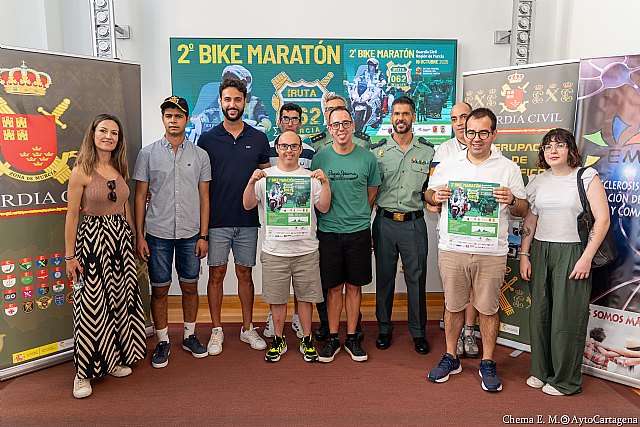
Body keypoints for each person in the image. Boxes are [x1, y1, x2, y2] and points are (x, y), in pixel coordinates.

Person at [425, 108, 528, 392]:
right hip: (453, 248)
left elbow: (522, 209)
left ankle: (487, 361)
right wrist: (435, 196)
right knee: (453, 305)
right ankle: (451, 357)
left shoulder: (507, 168)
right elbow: (429, 195)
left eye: (483, 132)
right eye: (471, 132)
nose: (476, 138)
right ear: (464, 133)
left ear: (494, 134)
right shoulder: (449, 164)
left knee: (488, 309)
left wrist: (512, 200)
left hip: (490, 251)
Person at [519, 128, 609, 396]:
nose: (553, 151)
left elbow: (602, 219)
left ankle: (564, 381)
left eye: (559, 145)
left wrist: (586, 257)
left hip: (573, 252)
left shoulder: (586, 177)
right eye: (548, 146)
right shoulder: (538, 181)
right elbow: (531, 218)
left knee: (566, 318)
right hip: (540, 250)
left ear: (570, 149)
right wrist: (524, 254)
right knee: (539, 315)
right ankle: (540, 371)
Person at [64, 114, 146, 399]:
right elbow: (72, 215)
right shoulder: (81, 171)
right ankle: (82, 374)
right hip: (92, 242)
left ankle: (113, 360)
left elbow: (123, 205)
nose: (108, 136)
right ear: (93, 134)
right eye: (103, 131)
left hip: (120, 242)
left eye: (114, 132)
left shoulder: (118, 167)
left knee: (120, 301)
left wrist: (134, 236)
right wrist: (69, 256)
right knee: (91, 308)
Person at [133, 96, 212, 369]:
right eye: (169, 116)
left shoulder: (200, 155)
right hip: (158, 233)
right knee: (160, 289)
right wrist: (140, 235)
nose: (173, 120)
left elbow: (205, 197)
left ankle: (190, 335)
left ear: (187, 119)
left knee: (190, 286)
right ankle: (163, 340)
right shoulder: (147, 154)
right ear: (163, 119)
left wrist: (203, 235)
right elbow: (140, 196)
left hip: (191, 233)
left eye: (178, 116)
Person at [243, 130, 331, 362]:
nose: (289, 151)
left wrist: (325, 183)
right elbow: (248, 204)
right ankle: (278, 340)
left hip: (306, 250)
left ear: (300, 150)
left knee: (306, 299)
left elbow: (323, 207)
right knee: (277, 300)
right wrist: (251, 182)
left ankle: (307, 340)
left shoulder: (310, 177)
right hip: (275, 251)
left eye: (293, 146)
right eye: (284, 146)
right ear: (277, 149)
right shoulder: (266, 177)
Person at [197, 79, 270, 355]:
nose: (232, 104)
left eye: (237, 99)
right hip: (217, 222)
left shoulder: (258, 138)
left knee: (245, 274)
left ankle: (247, 328)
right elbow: (201, 185)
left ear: (245, 102)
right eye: (227, 99)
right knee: (216, 274)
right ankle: (216, 329)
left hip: (248, 221)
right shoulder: (207, 139)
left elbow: (266, 180)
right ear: (220, 102)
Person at [311, 106, 381, 363]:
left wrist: (358, 216)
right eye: (335, 124)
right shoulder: (320, 158)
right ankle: (332, 338)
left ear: (352, 126)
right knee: (333, 288)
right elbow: (316, 196)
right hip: (329, 232)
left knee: (354, 287)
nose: (340, 128)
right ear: (329, 129)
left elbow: (371, 194)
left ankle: (352, 338)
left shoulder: (368, 158)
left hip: (358, 232)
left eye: (345, 123)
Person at [370, 96, 434, 354]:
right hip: (384, 223)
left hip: (414, 223)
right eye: (396, 114)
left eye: (405, 114)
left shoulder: (428, 151)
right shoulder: (377, 151)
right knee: (384, 278)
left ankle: (418, 332)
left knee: (416, 280)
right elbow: (371, 191)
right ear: (391, 117)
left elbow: (431, 189)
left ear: (413, 117)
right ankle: (384, 328)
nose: (400, 118)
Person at [264, 103, 316, 340]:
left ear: (301, 123)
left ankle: (298, 319)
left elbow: (312, 188)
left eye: (295, 119)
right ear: (279, 121)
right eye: (286, 119)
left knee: (303, 287)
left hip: (300, 227)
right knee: (277, 286)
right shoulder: (268, 149)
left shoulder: (310, 150)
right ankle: (274, 321)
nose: (290, 123)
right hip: (276, 228)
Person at [433, 102, 481, 358]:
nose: (460, 123)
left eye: (464, 117)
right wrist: (435, 198)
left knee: (473, 286)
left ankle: (469, 331)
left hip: (479, 232)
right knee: (455, 285)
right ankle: (455, 333)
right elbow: (431, 195)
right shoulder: (443, 150)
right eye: (454, 119)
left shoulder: (489, 150)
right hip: (452, 230)